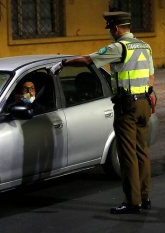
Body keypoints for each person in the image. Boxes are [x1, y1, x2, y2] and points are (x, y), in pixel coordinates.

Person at [61, 11, 154, 214]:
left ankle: (132, 201)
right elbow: (151, 77)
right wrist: (148, 96)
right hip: (144, 102)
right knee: (142, 152)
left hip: (126, 105)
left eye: (111, 29)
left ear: (117, 28)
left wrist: (64, 63)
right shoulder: (145, 46)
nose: (111, 33)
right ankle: (145, 197)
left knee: (127, 154)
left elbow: (87, 60)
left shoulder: (118, 47)